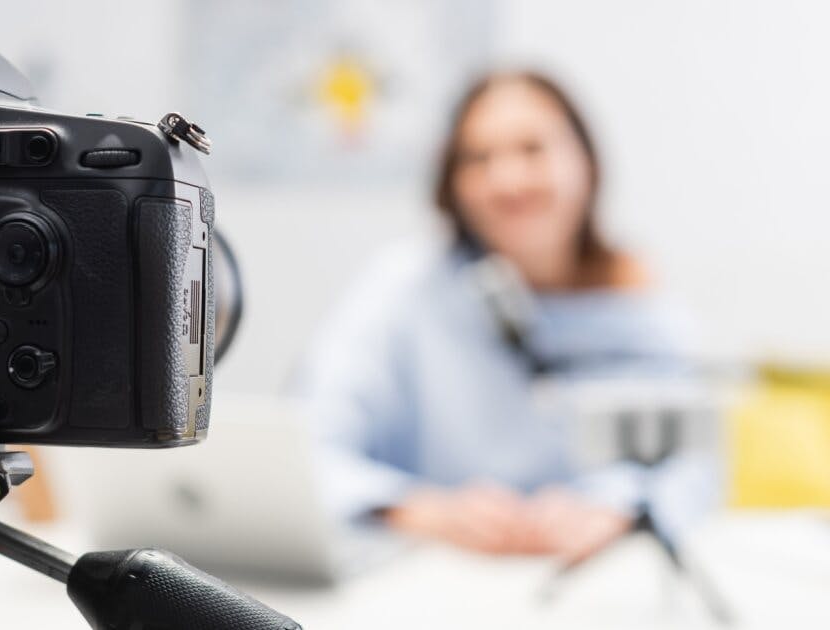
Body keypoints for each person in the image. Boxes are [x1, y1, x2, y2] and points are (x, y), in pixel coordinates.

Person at [296, 71, 711, 562]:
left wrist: (613, 511)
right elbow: (306, 448)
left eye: (533, 149)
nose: (508, 179)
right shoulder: (402, 289)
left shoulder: (643, 312)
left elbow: (693, 471)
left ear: (586, 163)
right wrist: (413, 509)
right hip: (430, 572)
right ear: (452, 182)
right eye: (479, 158)